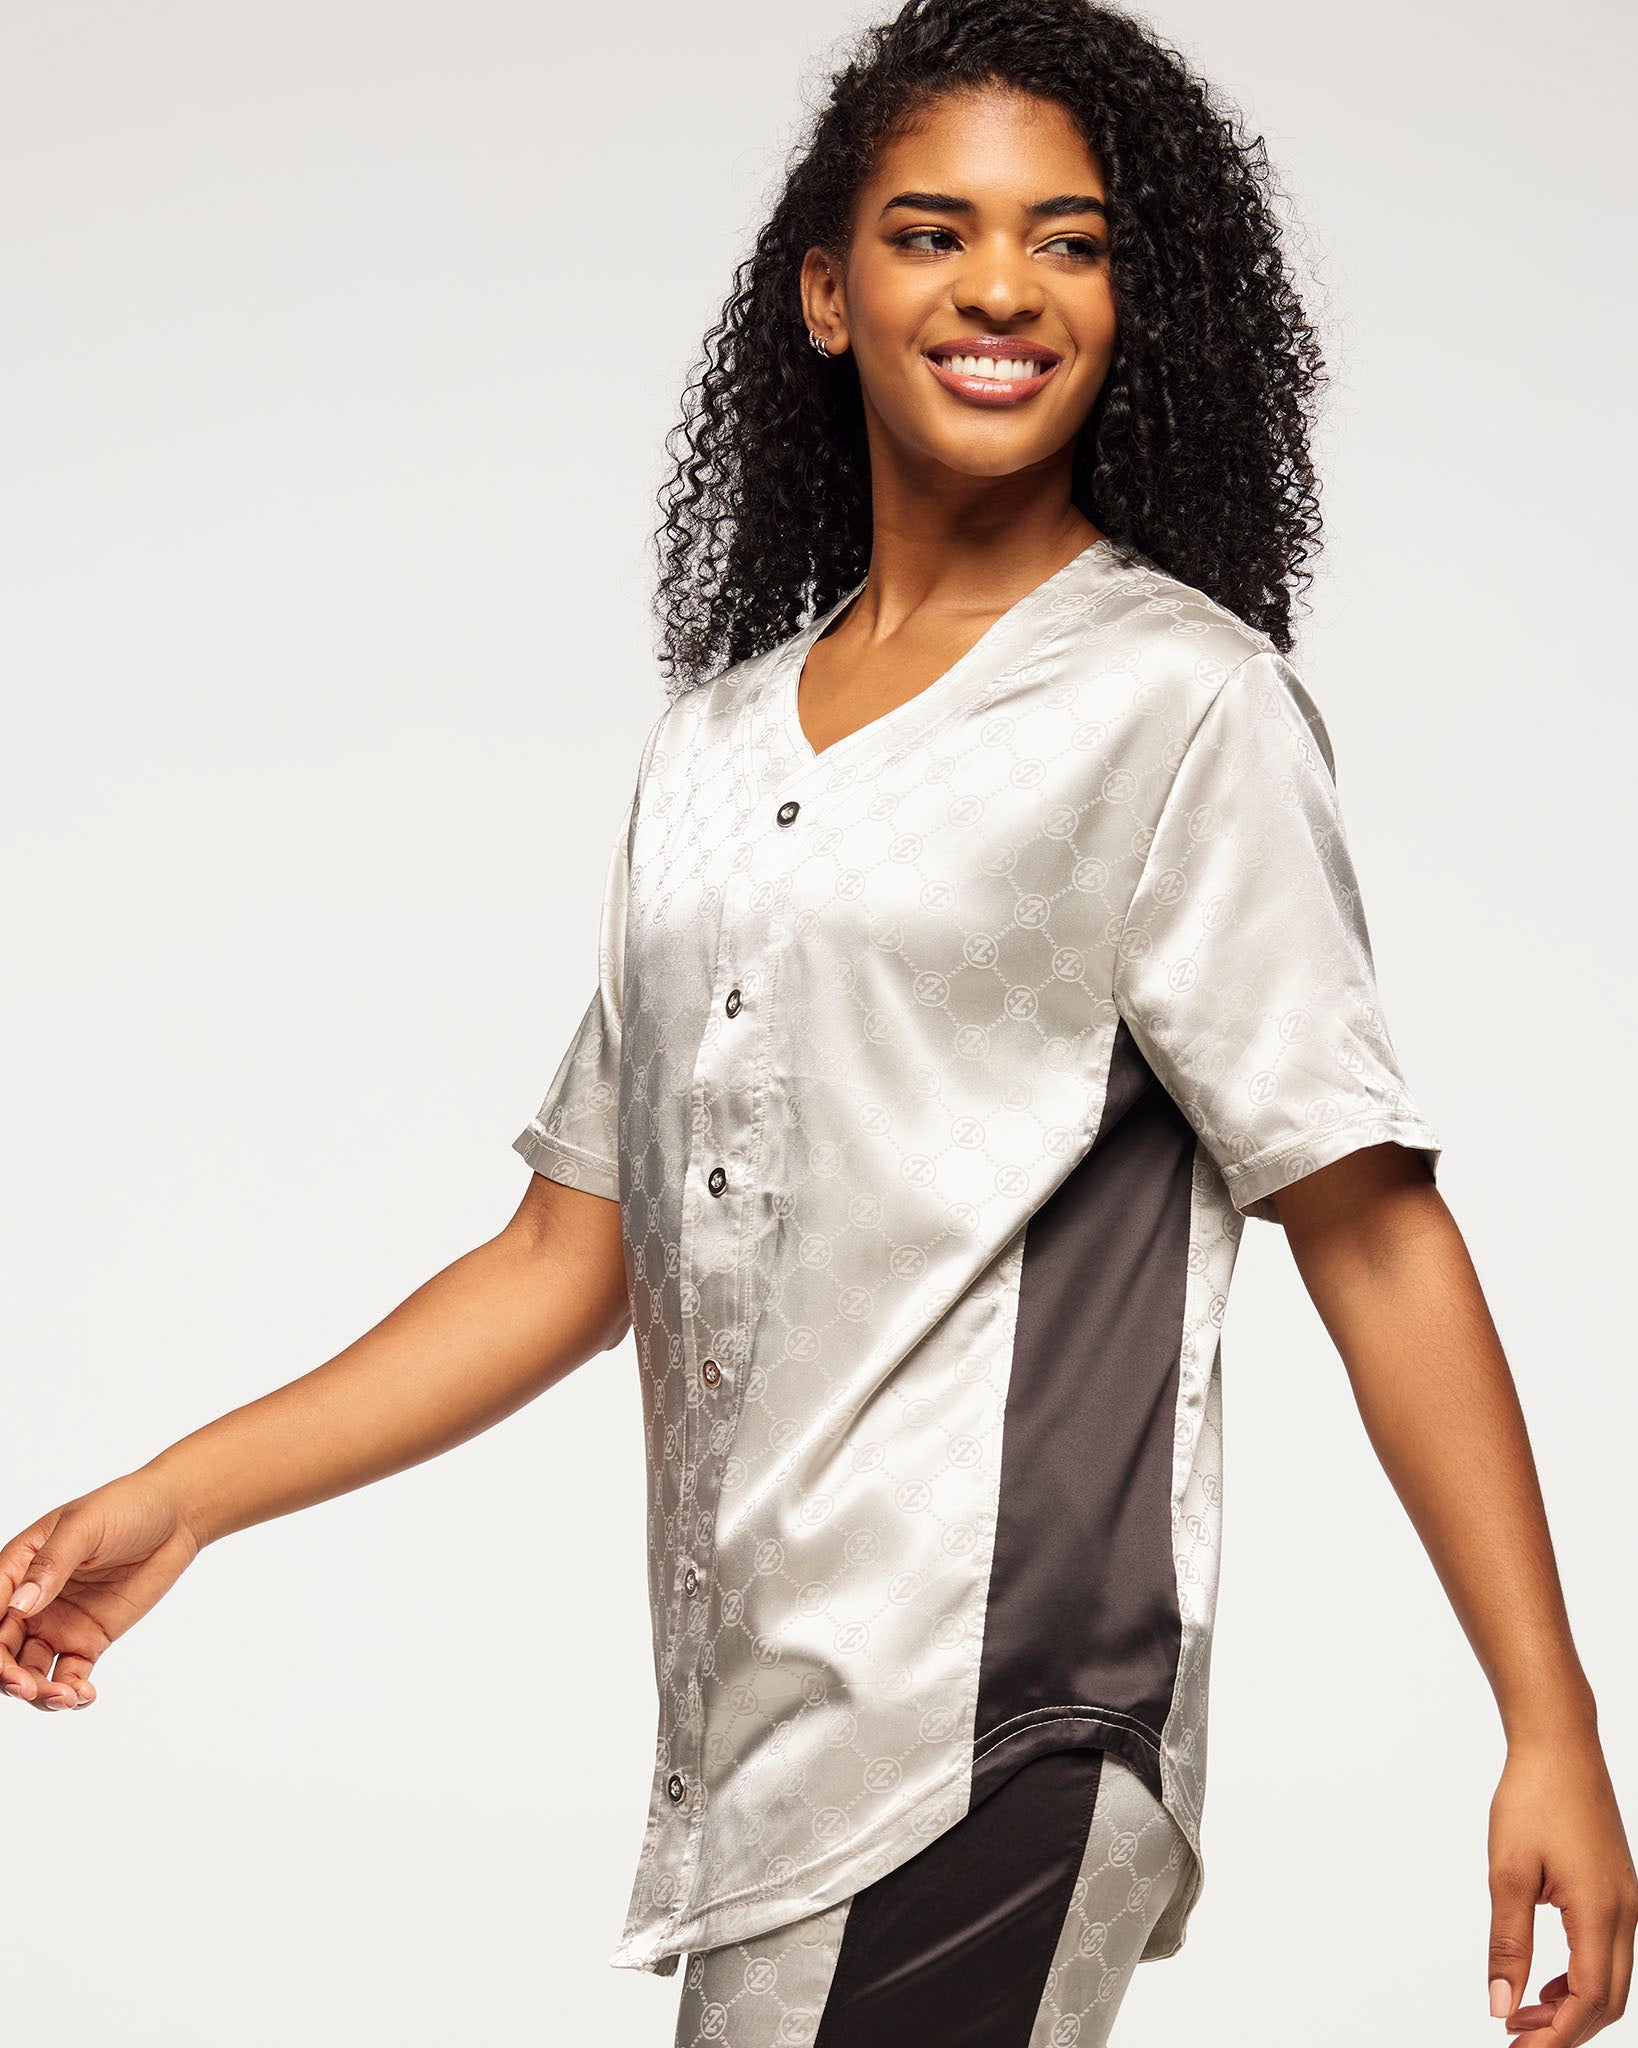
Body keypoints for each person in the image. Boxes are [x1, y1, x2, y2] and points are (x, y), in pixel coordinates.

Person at [5, 1, 1635, 2043]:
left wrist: (1547, 1721)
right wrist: (188, 1493)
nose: (1001, 288)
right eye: (933, 232)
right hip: (764, 1760)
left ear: (1132, 303)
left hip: (1004, 1718)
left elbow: (1370, 1224)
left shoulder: (1180, 707)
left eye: (1069, 241)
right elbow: (567, 1253)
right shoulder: (706, 757)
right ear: (826, 292)